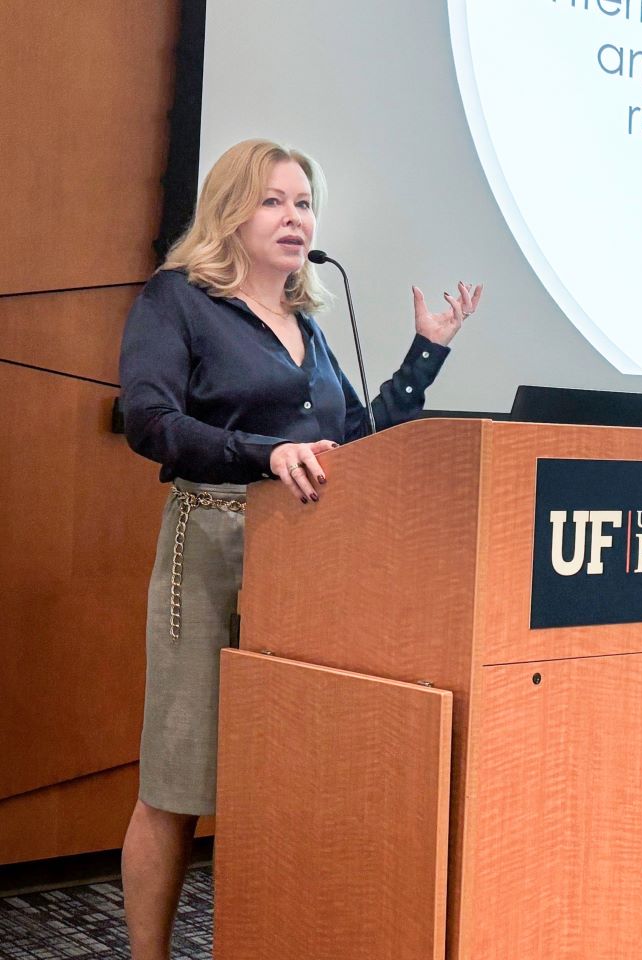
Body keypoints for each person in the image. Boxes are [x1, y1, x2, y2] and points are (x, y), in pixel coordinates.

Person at [116, 138, 482, 960]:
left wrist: (427, 353)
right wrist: (261, 453)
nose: (295, 217)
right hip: (211, 548)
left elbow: (353, 443)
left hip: (309, 563)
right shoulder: (180, 301)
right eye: (274, 200)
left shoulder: (307, 326)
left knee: (283, 773)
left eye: (304, 202)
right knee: (178, 782)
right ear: (230, 212)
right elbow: (149, 420)